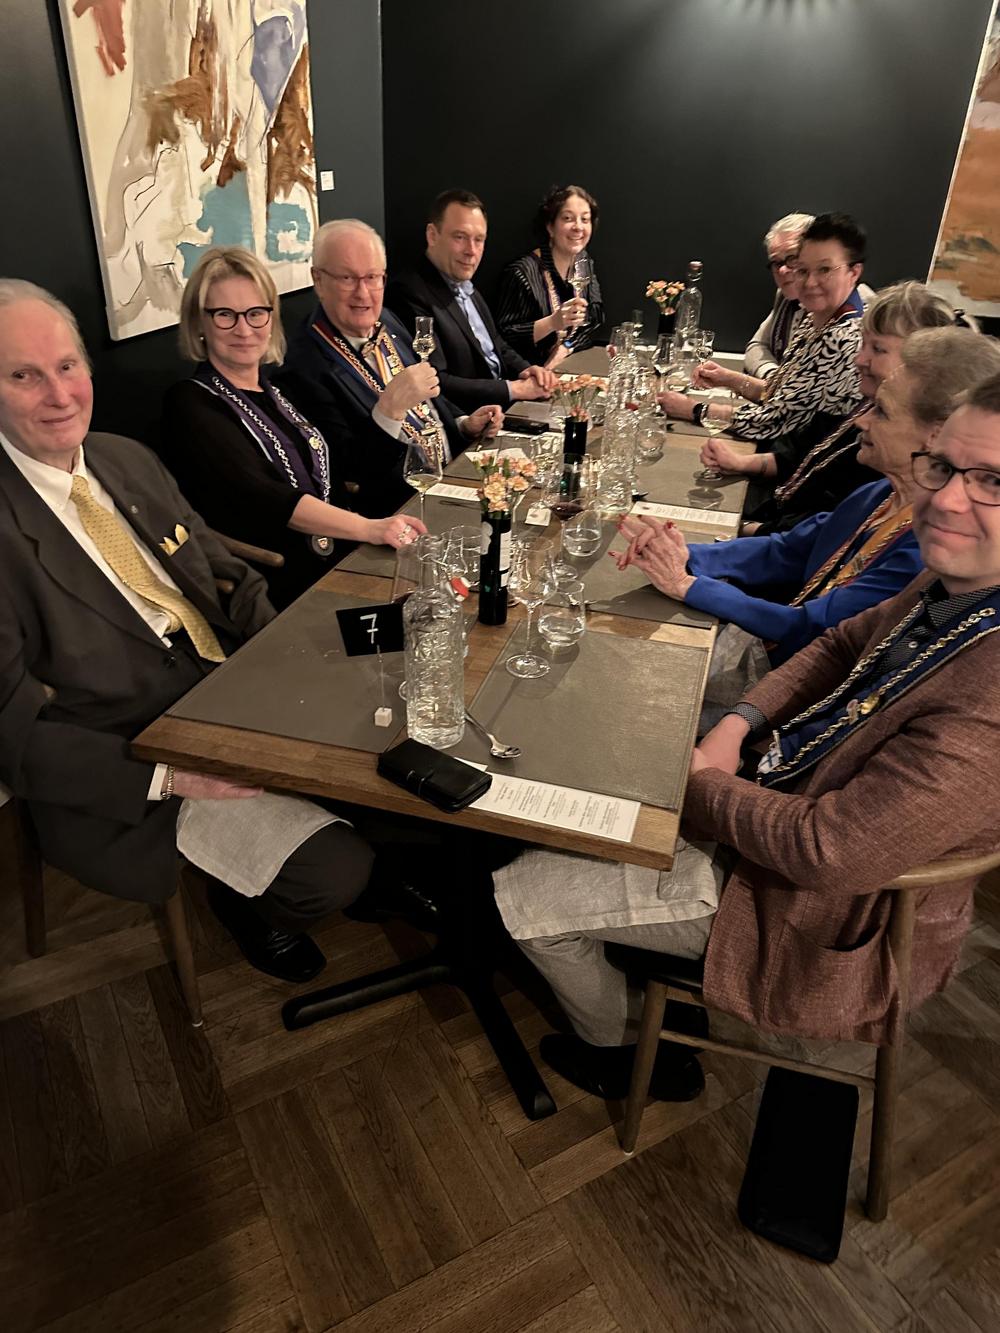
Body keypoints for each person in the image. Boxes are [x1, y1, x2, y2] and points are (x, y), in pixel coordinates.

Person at [495, 371, 1000, 1101]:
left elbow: (827, 852)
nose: (948, 499)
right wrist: (740, 721)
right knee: (616, 729)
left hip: (815, 917)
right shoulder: (960, 584)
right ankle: (634, 946)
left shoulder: (989, 699)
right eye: (945, 468)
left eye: (992, 482)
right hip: (779, 790)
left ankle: (625, 1054)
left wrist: (700, 782)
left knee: (524, 896)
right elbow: (837, 645)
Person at [0, 280, 391, 983]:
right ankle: (249, 903)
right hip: (136, 747)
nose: (59, 395)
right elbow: (14, 734)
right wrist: (169, 775)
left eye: (66, 366)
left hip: (230, 677)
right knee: (335, 871)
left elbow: (224, 571)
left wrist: (285, 654)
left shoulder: (123, 458)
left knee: (396, 692)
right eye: (23, 376)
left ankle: (395, 862)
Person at [616, 328, 1000, 670]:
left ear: (937, 435)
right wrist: (684, 554)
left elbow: (813, 626)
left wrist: (688, 584)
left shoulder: (926, 549)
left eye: (881, 411)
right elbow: (789, 550)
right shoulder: (882, 493)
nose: (861, 420)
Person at [161, 247, 427, 610]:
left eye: (256, 313)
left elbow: (344, 466)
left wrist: (390, 413)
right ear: (199, 323)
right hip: (282, 580)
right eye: (225, 315)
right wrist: (370, 527)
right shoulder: (190, 404)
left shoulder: (277, 390)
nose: (244, 329)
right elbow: (268, 498)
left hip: (343, 552)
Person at [278, 219, 502, 517]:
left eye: (372, 277)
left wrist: (463, 423)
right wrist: (389, 410)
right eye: (347, 278)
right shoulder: (302, 365)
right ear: (318, 280)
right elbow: (349, 472)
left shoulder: (387, 320)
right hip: (400, 512)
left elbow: (427, 401)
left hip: (454, 478)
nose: (363, 293)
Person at [708, 282, 971, 534]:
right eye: (863, 344)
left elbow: (817, 533)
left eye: (878, 349)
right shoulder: (862, 402)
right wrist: (742, 463)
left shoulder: (898, 441)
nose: (859, 359)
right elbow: (799, 453)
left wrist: (738, 528)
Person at [659, 213, 867, 447]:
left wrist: (692, 409)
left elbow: (772, 421)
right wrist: (728, 378)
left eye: (824, 269)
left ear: (854, 273)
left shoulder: (846, 335)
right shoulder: (815, 318)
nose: (810, 282)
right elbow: (779, 389)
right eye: (803, 270)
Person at [384, 189, 557, 412]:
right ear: (432, 235)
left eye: (479, 239)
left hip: (505, 408)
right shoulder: (409, 292)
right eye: (460, 237)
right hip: (470, 421)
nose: (471, 251)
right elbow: (435, 381)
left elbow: (495, 344)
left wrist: (526, 370)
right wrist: (514, 389)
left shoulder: (464, 281)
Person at [495, 185, 605, 369]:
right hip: (527, 374)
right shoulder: (521, 272)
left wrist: (566, 347)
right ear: (550, 227)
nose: (578, 227)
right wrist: (552, 323)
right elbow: (504, 337)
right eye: (568, 218)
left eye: (585, 219)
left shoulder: (584, 263)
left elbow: (595, 319)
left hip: (567, 368)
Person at [743, 211, 814, 380]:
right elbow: (756, 346)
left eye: (792, 258)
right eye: (776, 262)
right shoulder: (784, 296)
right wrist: (773, 377)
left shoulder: (856, 303)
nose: (782, 270)